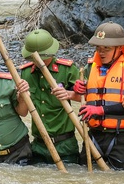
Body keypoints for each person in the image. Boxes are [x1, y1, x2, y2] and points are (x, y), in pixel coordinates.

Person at [73, 22, 124, 169]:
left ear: (120, 48)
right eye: (98, 48)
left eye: (106, 48)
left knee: (119, 180)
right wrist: (77, 89)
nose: (101, 52)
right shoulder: (90, 66)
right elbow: (86, 94)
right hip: (94, 133)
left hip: (122, 136)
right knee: (85, 174)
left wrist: (100, 110)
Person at [19, 29, 81, 164]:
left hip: (65, 144)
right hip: (39, 145)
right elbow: (22, 113)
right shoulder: (26, 73)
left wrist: (68, 94)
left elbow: (87, 97)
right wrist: (22, 96)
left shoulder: (67, 69)